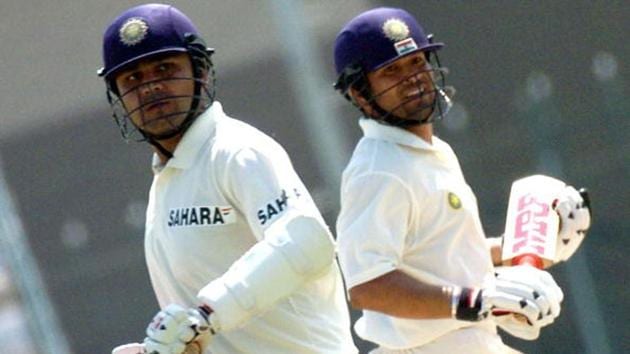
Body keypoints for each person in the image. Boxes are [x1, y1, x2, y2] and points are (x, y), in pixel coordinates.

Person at [98, 4, 357, 354]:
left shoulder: (236, 151)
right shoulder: (168, 179)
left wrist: (205, 316)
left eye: (164, 68)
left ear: (201, 72)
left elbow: (307, 240)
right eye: (132, 79)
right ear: (119, 98)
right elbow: (201, 332)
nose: (149, 88)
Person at [332, 7, 591, 354]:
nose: (412, 78)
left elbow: (443, 256)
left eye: (416, 62)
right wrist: (475, 301)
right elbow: (368, 285)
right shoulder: (378, 169)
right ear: (361, 94)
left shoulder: (429, 151)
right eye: (391, 71)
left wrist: (523, 246)